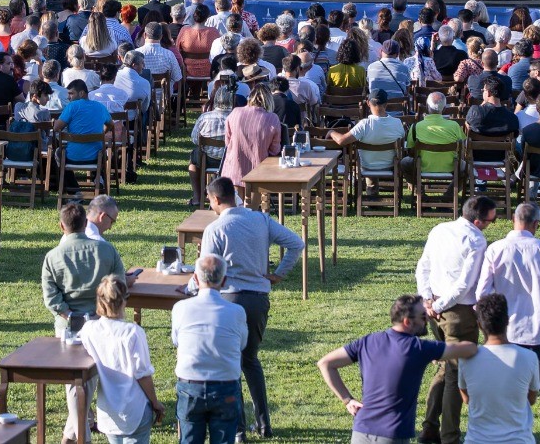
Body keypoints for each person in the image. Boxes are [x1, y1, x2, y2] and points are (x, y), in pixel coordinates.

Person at [199, 176, 303, 439]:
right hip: (258, 300)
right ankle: (264, 423)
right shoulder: (261, 219)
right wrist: (279, 273)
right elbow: (296, 243)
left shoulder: (216, 228)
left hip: (229, 300)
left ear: (216, 199)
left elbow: (207, 270)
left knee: (231, 363)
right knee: (250, 361)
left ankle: (239, 429)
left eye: (210, 201)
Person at [318, 291, 477, 444]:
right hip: (392, 436)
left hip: (360, 432)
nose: (427, 320)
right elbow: (468, 349)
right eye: (423, 316)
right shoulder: (418, 348)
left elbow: (325, 363)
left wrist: (347, 400)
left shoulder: (367, 342)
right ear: (407, 321)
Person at [476, 202, 540, 444]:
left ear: (513, 220)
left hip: (505, 333)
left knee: (507, 389)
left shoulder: (495, 249)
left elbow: (482, 294)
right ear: (536, 224)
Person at [412, 195, 497, 444]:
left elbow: (423, 266)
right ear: (479, 221)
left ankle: (429, 428)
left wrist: (428, 301)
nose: (492, 224)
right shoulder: (476, 240)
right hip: (457, 313)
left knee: (444, 367)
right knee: (455, 375)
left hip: (434, 309)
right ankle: (449, 436)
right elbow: (464, 285)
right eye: (491, 220)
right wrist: (437, 305)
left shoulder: (439, 229)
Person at [42, 203, 127, 440]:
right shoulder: (107, 250)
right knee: (86, 381)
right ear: (85, 223)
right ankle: (78, 433)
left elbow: (51, 298)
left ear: (62, 226)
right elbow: (119, 285)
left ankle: (77, 434)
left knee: (76, 381)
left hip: (68, 327)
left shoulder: (52, 257)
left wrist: (69, 315)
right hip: (102, 323)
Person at [171, 253, 248, 444]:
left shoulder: (180, 308)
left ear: (195, 279)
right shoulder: (237, 312)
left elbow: (176, 340)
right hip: (225, 385)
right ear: (224, 281)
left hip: (191, 385)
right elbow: (242, 344)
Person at [79, 275, 165, 444]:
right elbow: (142, 374)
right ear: (124, 301)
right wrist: (156, 403)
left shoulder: (88, 329)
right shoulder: (132, 332)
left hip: (109, 413)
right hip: (135, 410)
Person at [456, 293, 540, 444]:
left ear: (480, 324)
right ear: (507, 321)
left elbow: (467, 398)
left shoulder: (466, 359)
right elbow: (531, 399)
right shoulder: (529, 357)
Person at [219, 84, 282, 190]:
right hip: (259, 171)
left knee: (237, 205)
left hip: (234, 168)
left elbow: (227, 142)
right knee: (252, 205)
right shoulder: (272, 118)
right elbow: (275, 150)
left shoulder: (235, 112)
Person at [407, 92, 466, 185]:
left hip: (422, 166)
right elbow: (463, 146)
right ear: (445, 108)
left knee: (403, 163)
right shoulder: (454, 126)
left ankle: (419, 189)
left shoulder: (416, 127)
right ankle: (450, 193)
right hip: (451, 166)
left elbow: (410, 149)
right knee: (467, 168)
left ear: (426, 106)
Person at [52, 80, 112, 169]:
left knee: (58, 152)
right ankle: (98, 178)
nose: (68, 97)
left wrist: (55, 121)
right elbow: (111, 125)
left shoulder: (72, 106)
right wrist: (102, 133)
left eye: (71, 94)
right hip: (96, 157)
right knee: (103, 153)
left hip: (72, 156)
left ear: (81, 93)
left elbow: (56, 128)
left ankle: (68, 182)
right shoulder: (100, 107)